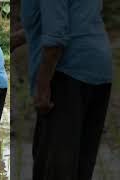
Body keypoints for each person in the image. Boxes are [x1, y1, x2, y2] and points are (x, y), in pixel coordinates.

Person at [20, 0, 113, 179]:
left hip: (67, 72)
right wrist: (21, 37)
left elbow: (55, 37)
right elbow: (76, 15)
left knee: (54, 169)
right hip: (99, 68)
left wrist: (43, 85)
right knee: (80, 166)